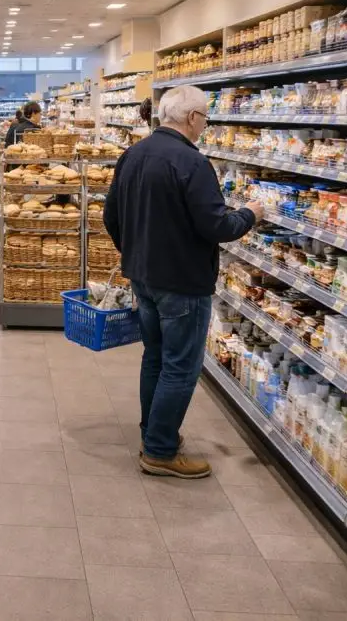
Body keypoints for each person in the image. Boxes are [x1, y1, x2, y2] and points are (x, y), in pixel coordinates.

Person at [104, 84, 264, 480]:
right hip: (182, 283)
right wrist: (251, 214)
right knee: (181, 367)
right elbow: (217, 225)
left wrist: (134, 250)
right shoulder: (192, 163)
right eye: (206, 119)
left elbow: (111, 216)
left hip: (142, 276)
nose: (205, 126)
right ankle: (159, 450)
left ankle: (153, 431)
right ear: (192, 118)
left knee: (155, 358)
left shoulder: (133, 154)